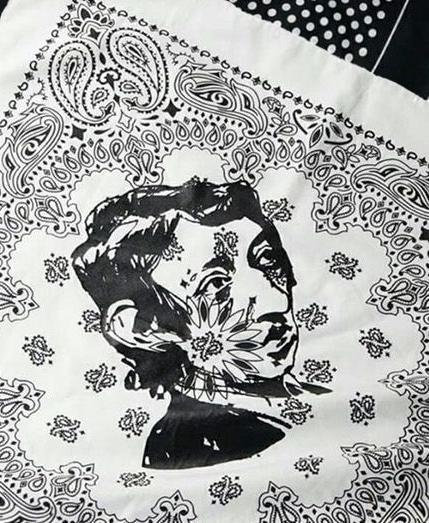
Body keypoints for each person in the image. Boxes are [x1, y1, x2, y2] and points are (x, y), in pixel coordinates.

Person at [71, 177, 323, 469]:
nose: (274, 301)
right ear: (141, 328)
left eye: (269, 262)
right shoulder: (194, 443)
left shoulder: (311, 403)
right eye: (216, 285)